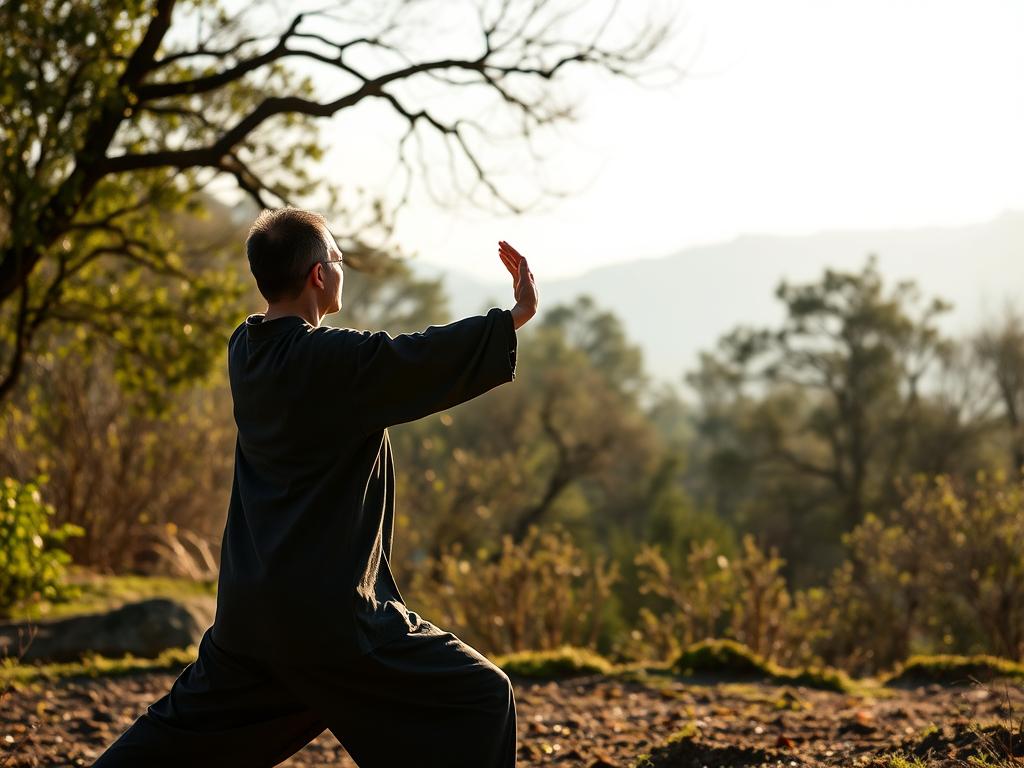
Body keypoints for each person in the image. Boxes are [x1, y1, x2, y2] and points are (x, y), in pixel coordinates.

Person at [92, 207, 538, 768]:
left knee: (174, 744)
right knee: (480, 698)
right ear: (318, 276)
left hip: (251, 621)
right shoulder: (332, 362)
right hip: (333, 624)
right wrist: (513, 316)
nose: (342, 268)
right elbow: (415, 357)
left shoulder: (244, 350)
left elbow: (385, 360)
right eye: (339, 258)